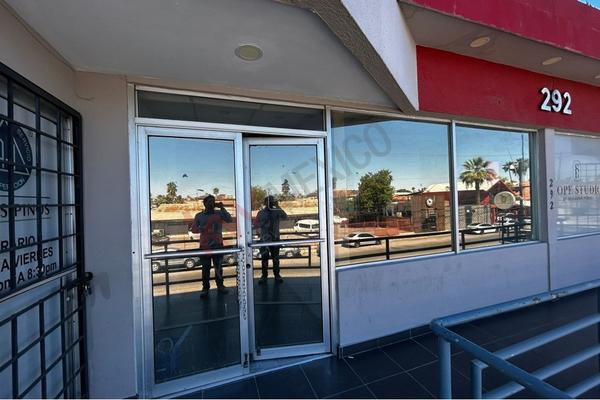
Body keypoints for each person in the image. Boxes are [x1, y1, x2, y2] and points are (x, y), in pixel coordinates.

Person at [191, 195, 232, 298]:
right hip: (205, 246)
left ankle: (220, 286)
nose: (211, 203)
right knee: (205, 268)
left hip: (218, 245)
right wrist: (204, 228)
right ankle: (205, 289)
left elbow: (229, 219)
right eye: (209, 201)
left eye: (213, 201)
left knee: (219, 268)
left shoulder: (219, 213)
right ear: (204, 203)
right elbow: (193, 229)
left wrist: (222, 208)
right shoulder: (199, 215)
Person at [256, 195, 288, 284]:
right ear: (265, 203)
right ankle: (264, 276)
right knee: (264, 259)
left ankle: (277, 275)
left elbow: (285, 217)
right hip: (265, 239)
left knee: (276, 259)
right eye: (268, 201)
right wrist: (263, 225)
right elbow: (256, 224)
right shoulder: (261, 213)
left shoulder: (277, 211)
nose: (270, 203)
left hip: (275, 239)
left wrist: (278, 206)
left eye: (272, 201)